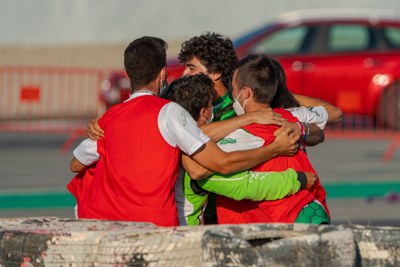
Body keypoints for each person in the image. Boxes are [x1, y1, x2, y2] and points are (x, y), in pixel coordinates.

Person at [68, 36, 300, 227]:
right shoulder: (171, 111)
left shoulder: (111, 116)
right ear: (162, 74)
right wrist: (275, 149)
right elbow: (219, 164)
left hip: (104, 219)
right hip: (158, 224)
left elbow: (76, 164)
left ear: (128, 75)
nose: (185, 74)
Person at [164, 74, 317, 225]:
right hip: (184, 236)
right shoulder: (198, 161)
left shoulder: (168, 137)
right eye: (212, 105)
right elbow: (247, 185)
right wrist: (297, 179)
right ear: (205, 112)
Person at [210, 54, 331, 224]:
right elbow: (329, 118)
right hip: (312, 210)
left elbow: (208, 156)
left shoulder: (242, 134)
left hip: (279, 220)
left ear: (245, 93)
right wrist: (302, 128)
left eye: (233, 89)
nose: (231, 95)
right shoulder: (294, 115)